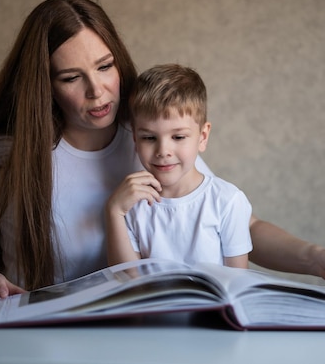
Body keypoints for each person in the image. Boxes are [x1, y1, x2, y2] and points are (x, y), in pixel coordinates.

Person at [0, 0, 325, 307]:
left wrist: (318, 257)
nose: (98, 92)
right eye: (70, 77)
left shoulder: (150, 140)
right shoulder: (10, 157)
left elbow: (238, 224)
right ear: (44, 86)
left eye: (104, 67)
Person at [106, 64, 252, 268]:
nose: (163, 150)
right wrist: (114, 212)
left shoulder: (227, 202)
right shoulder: (133, 205)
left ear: (202, 136)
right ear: (135, 140)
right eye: (149, 137)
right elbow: (126, 280)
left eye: (178, 136)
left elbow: (236, 283)